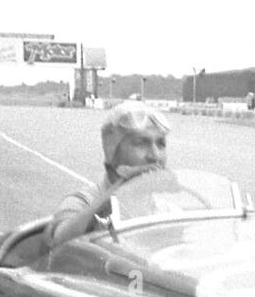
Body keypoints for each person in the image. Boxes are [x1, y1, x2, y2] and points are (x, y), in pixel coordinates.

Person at [47, 100, 171, 245]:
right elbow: (59, 239)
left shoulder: (167, 212)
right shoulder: (82, 202)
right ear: (113, 152)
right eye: (140, 143)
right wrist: (114, 195)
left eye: (161, 144)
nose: (155, 156)